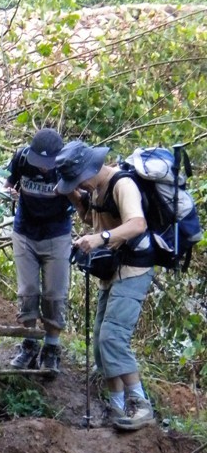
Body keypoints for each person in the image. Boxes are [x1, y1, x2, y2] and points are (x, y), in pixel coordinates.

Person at [55, 139, 155, 431]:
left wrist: (101, 239)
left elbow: (137, 224)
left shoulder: (122, 184)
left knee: (113, 338)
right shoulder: (96, 188)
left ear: (89, 170)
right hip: (112, 272)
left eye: (77, 180)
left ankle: (140, 405)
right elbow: (92, 217)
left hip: (133, 269)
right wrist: (73, 195)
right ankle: (117, 406)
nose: (78, 185)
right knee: (100, 341)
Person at [6, 127, 73, 374]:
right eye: (40, 162)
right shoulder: (22, 158)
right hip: (25, 231)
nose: (44, 167)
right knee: (28, 291)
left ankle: (51, 349)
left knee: (55, 295)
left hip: (57, 234)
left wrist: (69, 189)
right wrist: (10, 191)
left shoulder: (69, 166)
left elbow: (83, 199)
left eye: (48, 163)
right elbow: (8, 182)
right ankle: (30, 345)